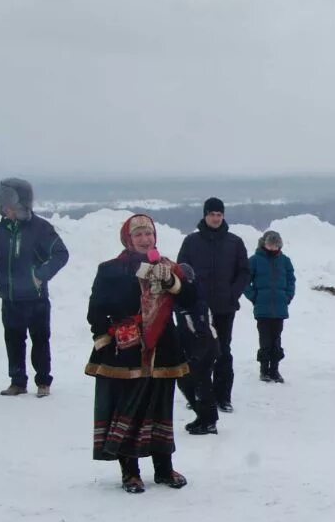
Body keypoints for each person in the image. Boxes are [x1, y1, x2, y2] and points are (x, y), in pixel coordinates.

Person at [86, 214, 194, 492]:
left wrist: (174, 283)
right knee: (129, 409)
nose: (145, 239)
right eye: (139, 235)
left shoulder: (167, 267)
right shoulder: (111, 270)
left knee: (161, 409)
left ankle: (163, 468)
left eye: (149, 234)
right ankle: (130, 472)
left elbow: (191, 300)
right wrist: (107, 339)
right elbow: (97, 310)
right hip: (126, 350)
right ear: (128, 239)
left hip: (163, 350)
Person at [0, 178, 69, 397]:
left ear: (22, 204)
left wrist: (41, 275)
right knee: (13, 340)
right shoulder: (2, 229)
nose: (5, 210)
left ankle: (43, 382)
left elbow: (61, 254)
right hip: (10, 298)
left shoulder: (41, 228)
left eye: (9, 205)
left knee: (40, 340)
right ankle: (17, 382)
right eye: (3, 205)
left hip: (36, 299)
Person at [177, 198, 249, 413]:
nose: (216, 218)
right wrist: (188, 298)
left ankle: (223, 396)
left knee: (223, 352)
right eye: (212, 214)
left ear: (223, 216)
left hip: (224, 308)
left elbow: (244, 271)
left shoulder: (234, 242)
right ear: (205, 215)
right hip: (198, 309)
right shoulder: (191, 242)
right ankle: (198, 395)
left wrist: (232, 294)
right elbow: (181, 271)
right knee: (197, 353)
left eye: (219, 214)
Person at [174, 262, 220, 435]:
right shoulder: (185, 297)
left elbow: (202, 328)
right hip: (197, 346)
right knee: (187, 382)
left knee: (200, 383)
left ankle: (209, 421)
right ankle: (202, 417)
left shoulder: (193, 298)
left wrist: (198, 352)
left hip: (203, 346)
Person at [245, 230, 296, 383]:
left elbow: (291, 280)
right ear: (264, 243)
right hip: (262, 308)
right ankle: (264, 370)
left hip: (279, 307)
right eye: (270, 244)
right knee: (265, 339)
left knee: (276, 339)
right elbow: (245, 281)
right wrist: (254, 297)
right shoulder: (254, 260)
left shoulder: (285, 261)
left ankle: (275, 369)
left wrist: (288, 296)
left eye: (276, 245)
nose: (273, 248)